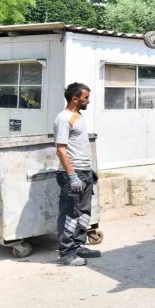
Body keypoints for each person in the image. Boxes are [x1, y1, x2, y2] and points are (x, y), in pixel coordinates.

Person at [54, 82, 101, 266]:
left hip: (84, 172)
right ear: (75, 99)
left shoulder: (78, 116)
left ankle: (78, 245)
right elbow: (61, 150)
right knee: (70, 214)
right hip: (71, 175)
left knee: (83, 213)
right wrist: (72, 176)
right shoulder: (64, 119)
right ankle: (66, 252)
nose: (88, 101)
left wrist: (89, 170)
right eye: (86, 98)